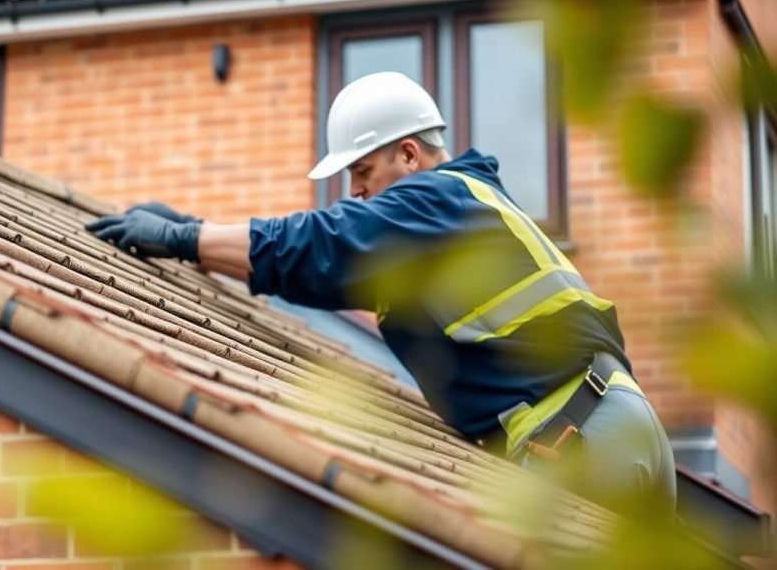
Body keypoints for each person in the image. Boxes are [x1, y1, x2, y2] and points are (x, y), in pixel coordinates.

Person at [87, 71, 676, 518]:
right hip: (609, 424)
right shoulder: (460, 210)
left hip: (578, 440)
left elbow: (324, 244)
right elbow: (321, 269)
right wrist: (198, 234)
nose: (360, 192)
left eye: (363, 172)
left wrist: (184, 238)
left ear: (409, 155)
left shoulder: (436, 200)